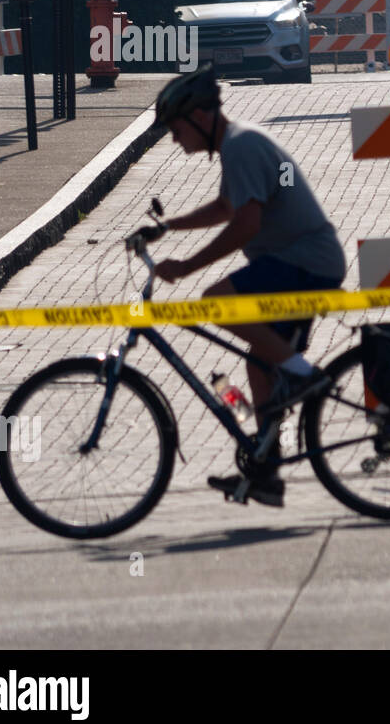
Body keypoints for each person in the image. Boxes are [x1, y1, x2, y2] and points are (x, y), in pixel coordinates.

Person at [142, 65, 347, 508]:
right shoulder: (237, 146)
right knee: (259, 368)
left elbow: (245, 223)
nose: (175, 140)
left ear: (200, 115)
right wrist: (168, 228)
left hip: (306, 263)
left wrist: (188, 266)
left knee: (216, 301)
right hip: (294, 264)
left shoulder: (241, 146)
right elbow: (225, 206)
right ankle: (268, 473)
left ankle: (304, 377)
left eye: (176, 129)